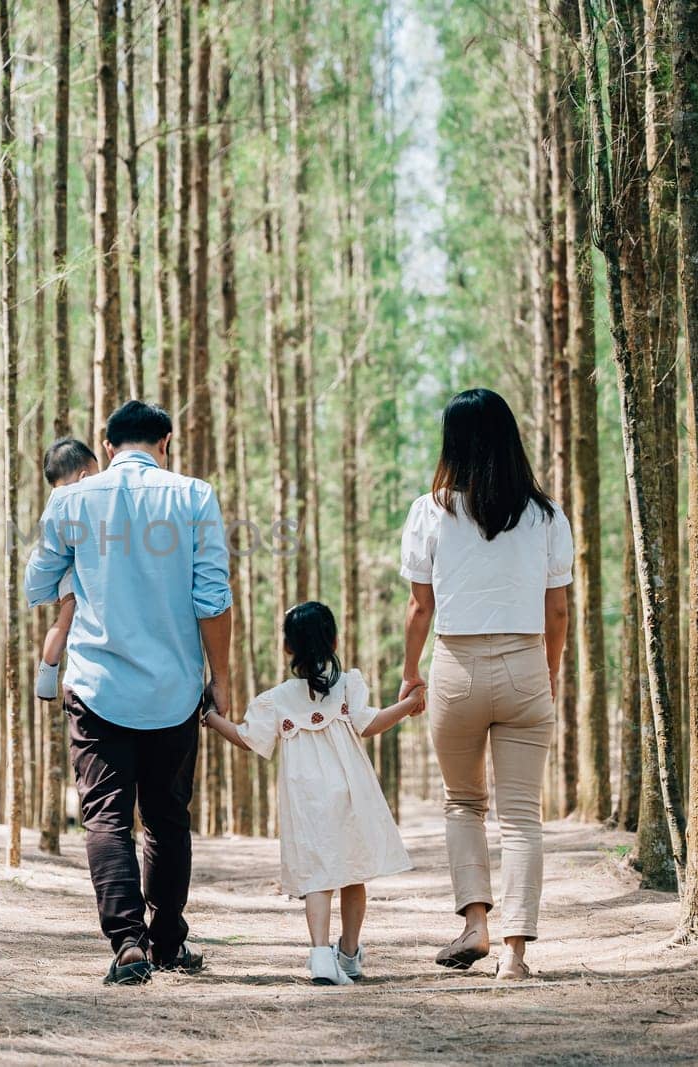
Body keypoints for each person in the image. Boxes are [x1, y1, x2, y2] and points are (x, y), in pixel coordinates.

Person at [24, 400, 232, 985]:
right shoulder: (195, 496)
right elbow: (213, 599)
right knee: (167, 819)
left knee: (105, 818)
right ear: (166, 441)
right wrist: (221, 678)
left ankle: (127, 945)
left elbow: (37, 582)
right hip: (172, 691)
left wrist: (75, 573)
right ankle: (168, 942)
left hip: (97, 688)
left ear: (108, 446)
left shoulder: (70, 500)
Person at [398, 387, 573, 981]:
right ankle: (517, 956)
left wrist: (409, 672)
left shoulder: (432, 510)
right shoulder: (547, 515)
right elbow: (558, 612)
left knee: (464, 803)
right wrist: (548, 670)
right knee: (523, 817)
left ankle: (476, 925)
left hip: (457, 668)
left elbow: (420, 607)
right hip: (525, 663)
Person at [205, 602, 421, 985]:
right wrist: (407, 705)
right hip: (351, 791)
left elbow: (247, 738)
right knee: (355, 873)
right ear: (334, 640)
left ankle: (321, 956)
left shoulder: (276, 699)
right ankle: (350, 955)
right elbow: (370, 725)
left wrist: (211, 719)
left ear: (287, 648)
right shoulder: (347, 685)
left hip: (306, 798)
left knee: (318, 878)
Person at [32, 438, 99, 701]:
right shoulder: (79, 500)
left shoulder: (56, 503)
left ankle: (47, 670)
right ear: (84, 476)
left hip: (69, 571)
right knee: (67, 617)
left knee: (66, 619)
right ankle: (47, 673)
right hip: (74, 571)